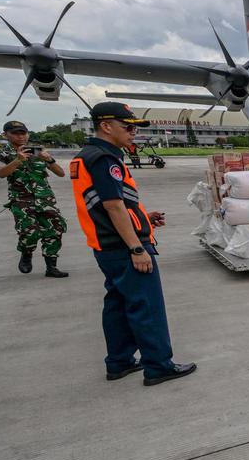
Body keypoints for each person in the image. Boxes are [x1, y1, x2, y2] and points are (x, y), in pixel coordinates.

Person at [71, 102, 196, 386]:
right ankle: (159, 365)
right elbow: (113, 207)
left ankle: (119, 361)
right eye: (128, 127)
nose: (133, 133)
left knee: (117, 304)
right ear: (106, 126)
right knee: (147, 307)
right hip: (123, 247)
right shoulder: (104, 159)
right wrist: (137, 247)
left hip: (106, 246)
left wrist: (143, 218)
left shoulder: (86, 156)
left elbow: (109, 205)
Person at [0, 120, 68, 277]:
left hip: (46, 199)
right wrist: (18, 160)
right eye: (16, 133)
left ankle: (51, 266)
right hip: (21, 200)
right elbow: (1, 173)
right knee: (29, 232)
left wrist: (49, 159)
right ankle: (26, 253)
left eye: (23, 133)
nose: (21, 136)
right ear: (6, 135)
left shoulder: (37, 151)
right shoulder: (2, 154)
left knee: (54, 230)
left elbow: (61, 173)